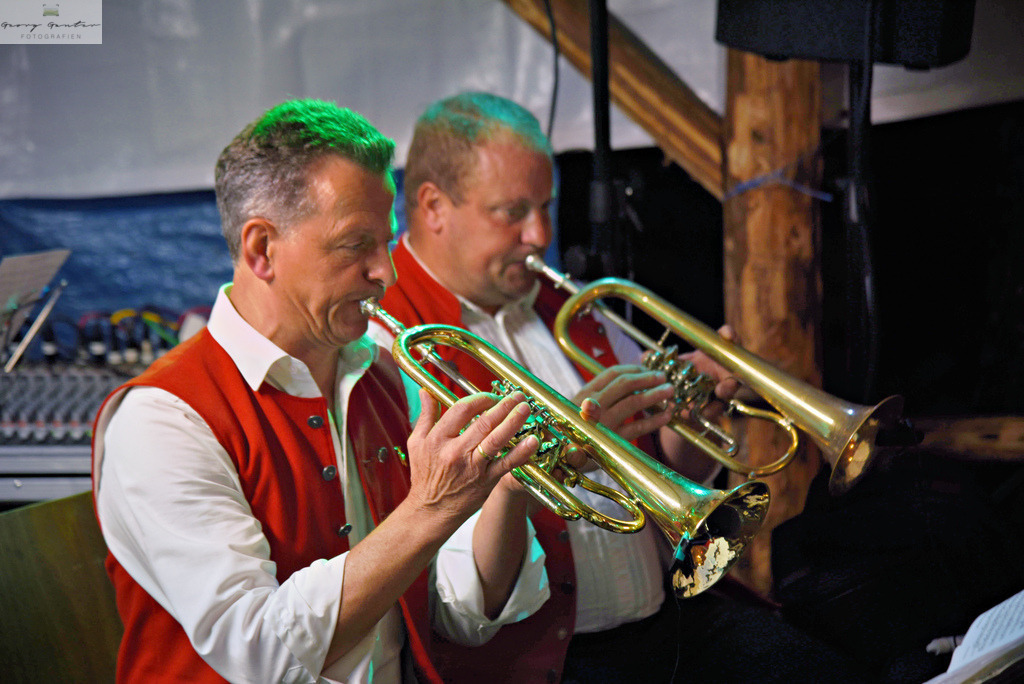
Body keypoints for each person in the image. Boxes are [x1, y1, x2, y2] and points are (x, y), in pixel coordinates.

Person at [369, 91, 873, 683]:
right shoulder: (393, 343)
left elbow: (657, 467)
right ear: (432, 207)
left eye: (547, 207)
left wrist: (691, 408)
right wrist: (557, 451)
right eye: (512, 211)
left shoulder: (572, 305)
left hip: (673, 618)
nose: (540, 233)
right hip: (549, 661)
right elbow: (455, 591)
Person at [90, 98, 552, 684]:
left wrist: (508, 483)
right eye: (356, 245)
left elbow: (459, 615)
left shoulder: (383, 374)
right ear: (262, 250)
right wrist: (429, 511)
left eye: (386, 242)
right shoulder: (162, 419)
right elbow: (261, 654)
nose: (386, 272)